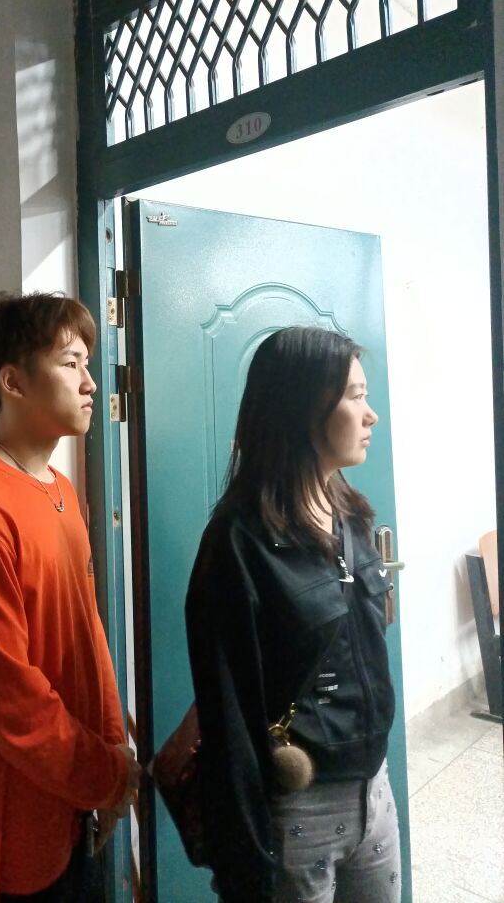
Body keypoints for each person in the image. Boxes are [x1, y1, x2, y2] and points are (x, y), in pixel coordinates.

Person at [0, 291, 141, 903]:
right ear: (13, 382)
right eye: (70, 364)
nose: (91, 383)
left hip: (80, 800)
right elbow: (9, 700)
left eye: (87, 364)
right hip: (24, 822)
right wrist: (105, 775)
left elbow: (88, 633)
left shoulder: (61, 490)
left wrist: (112, 752)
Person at [185, 326, 399, 903]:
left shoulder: (349, 514)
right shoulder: (237, 542)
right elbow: (228, 716)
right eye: (355, 396)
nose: (371, 414)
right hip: (298, 813)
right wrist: (244, 855)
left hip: (374, 789)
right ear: (305, 408)